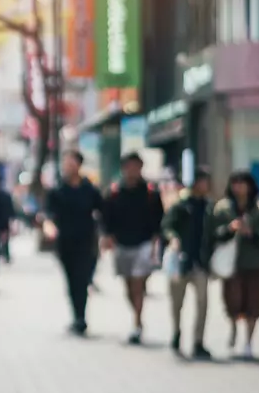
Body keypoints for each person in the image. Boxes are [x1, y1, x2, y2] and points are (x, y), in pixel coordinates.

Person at [101, 153, 165, 344]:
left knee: (137, 284)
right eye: (129, 166)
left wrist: (156, 240)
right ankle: (137, 316)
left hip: (144, 243)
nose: (132, 171)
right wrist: (107, 237)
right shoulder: (113, 192)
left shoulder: (151, 192)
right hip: (122, 244)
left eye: (136, 166)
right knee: (128, 287)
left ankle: (137, 324)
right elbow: (106, 218)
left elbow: (159, 218)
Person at [210, 170, 259, 358]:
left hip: (253, 263)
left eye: (242, 183)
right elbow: (214, 233)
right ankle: (233, 328)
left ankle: (248, 340)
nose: (239, 187)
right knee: (232, 301)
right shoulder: (222, 208)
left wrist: (251, 233)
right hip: (231, 265)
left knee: (254, 304)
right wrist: (230, 229)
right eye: (235, 183)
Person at [43, 150, 102, 336]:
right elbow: (49, 215)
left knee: (82, 278)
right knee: (71, 280)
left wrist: (105, 234)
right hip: (65, 243)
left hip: (86, 242)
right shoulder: (58, 190)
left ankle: (81, 318)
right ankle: (77, 315)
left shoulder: (89, 189)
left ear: (79, 165)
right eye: (66, 163)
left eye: (71, 162)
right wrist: (49, 227)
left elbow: (102, 210)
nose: (68, 166)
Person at [161, 168, 214, 358]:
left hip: (200, 263)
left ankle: (198, 341)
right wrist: (173, 238)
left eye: (206, 181)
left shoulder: (209, 208)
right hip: (181, 262)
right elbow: (167, 226)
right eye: (201, 181)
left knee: (202, 303)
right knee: (176, 302)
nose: (204, 185)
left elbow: (215, 233)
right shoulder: (181, 205)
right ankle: (176, 332)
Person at [0, 181, 16, 264]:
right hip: (4, 220)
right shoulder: (5, 196)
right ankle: (5, 254)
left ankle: (2, 253)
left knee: (0, 238)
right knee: (5, 238)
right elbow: (11, 209)